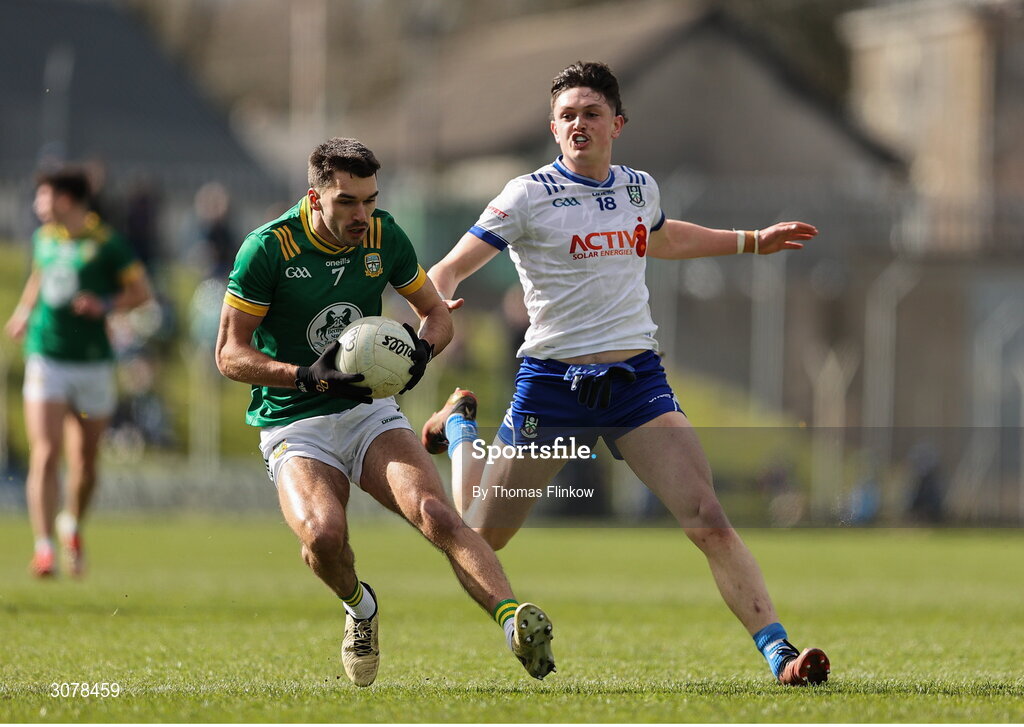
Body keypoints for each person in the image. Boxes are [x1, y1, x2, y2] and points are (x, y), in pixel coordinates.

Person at [422, 62, 829, 686]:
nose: (577, 123)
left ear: (618, 122)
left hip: (636, 383)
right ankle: (459, 433)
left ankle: (779, 653)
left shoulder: (640, 188)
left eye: (589, 112)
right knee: (483, 537)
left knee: (708, 518)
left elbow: (662, 240)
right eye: (565, 116)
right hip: (552, 387)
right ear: (553, 129)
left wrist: (753, 241)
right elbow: (448, 267)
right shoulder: (526, 195)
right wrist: (439, 307)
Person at [214, 137, 555, 687]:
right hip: (294, 421)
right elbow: (229, 354)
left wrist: (420, 354)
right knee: (324, 538)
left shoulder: (384, 236)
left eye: (370, 200)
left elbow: (437, 315)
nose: (362, 214)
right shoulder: (268, 249)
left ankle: (514, 621)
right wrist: (306, 375)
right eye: (348, 201)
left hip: (370, 413)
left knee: (438, 514)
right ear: (315, 196)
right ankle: (360, 608)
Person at [3, 167, 153, 578]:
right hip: (47, 357)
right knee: (46, 453)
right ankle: (44, 546)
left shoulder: (107, 244)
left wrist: (104, 306)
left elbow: (142, 295)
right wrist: (22, 312)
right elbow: (39, 275)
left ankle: (71, 523)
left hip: (93, 365)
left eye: (43, 197)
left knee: (85, 462)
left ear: (65, 200)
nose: (37, 206)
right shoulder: (44, 238)